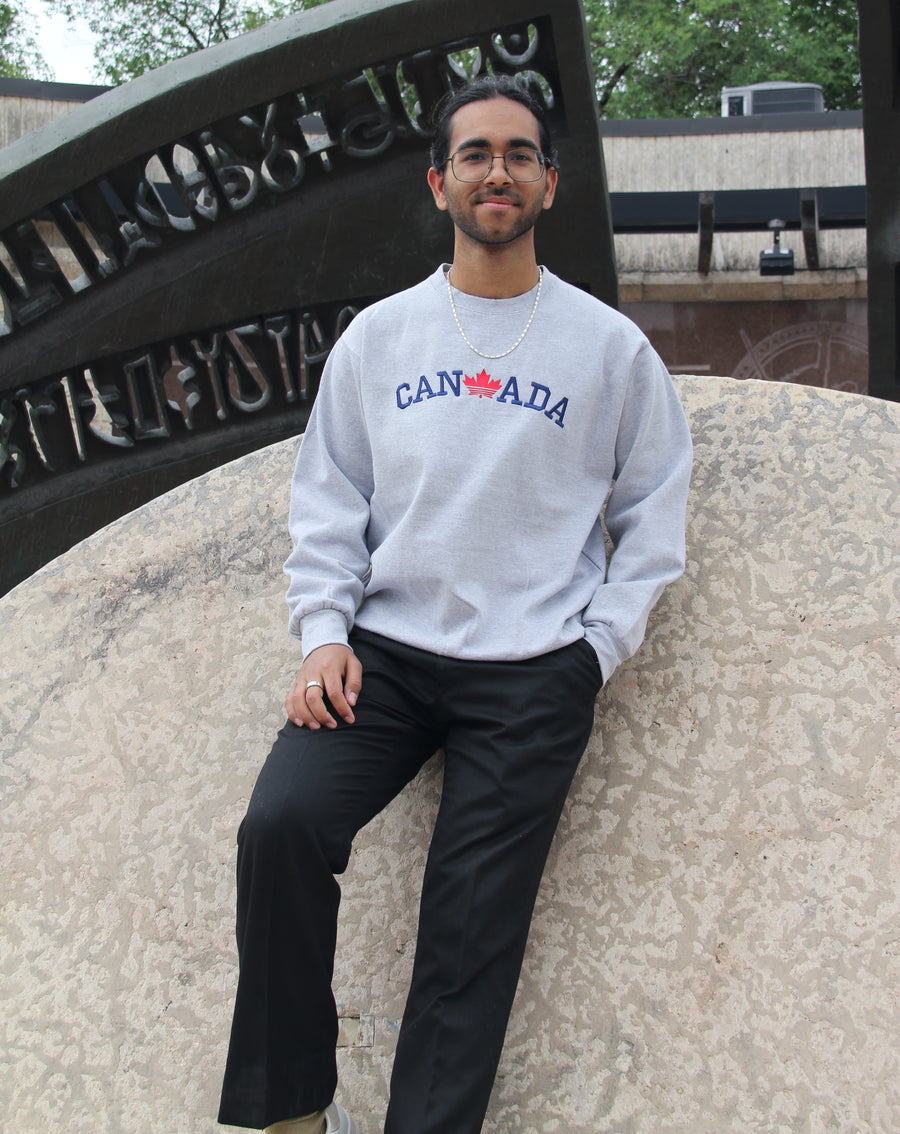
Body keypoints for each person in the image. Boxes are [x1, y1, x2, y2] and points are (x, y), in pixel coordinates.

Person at [218, 73, 692, 1134]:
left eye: (520, 153)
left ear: (550, 184)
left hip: (533, 674)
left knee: (470, 931)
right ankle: (291, 1112)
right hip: (383, 657)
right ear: (439, 183)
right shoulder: (381, 338)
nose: (497, 171)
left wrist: (594, 651)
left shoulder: (608, 347)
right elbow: (329, 500)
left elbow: (655, 515)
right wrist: (323, 635)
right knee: (280, 827)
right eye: (475, 153)